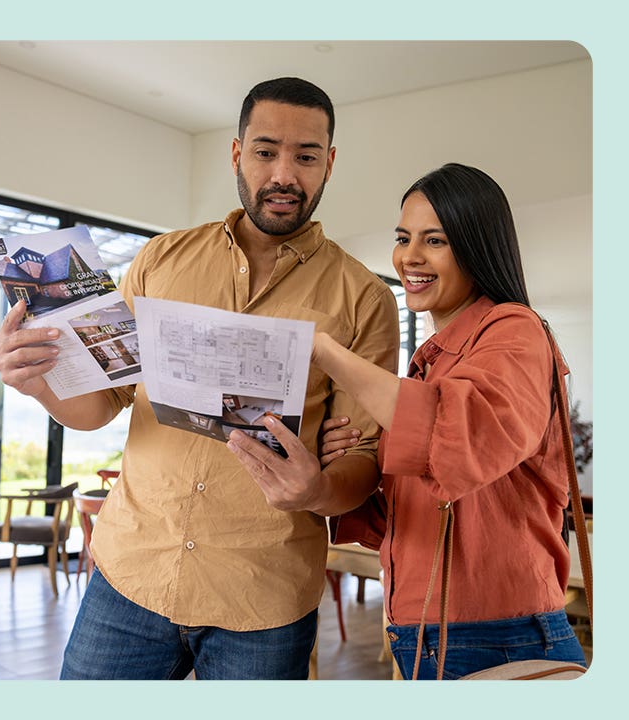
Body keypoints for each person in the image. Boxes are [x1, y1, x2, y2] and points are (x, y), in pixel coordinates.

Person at [0, 77, 399, 680]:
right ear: (237, 154)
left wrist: (315, 489)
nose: (284, 173)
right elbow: (103, 403)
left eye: (306, 156)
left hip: (264, 595)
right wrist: (40, 384)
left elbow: (363, 464)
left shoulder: (365, 299)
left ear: (329, 164)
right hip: (131, 576)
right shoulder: (160, 260)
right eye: (266, 151)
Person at [244, 162, 587, 679]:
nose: (410, 257)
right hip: (427, 634)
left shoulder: (515, 331)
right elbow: (417, 515)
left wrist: (326, 351)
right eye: (403, 237)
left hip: (498, 638)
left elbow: (457, 439)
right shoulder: (433, 361)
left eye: (436, 240)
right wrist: (355, 461)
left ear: (476, 246)